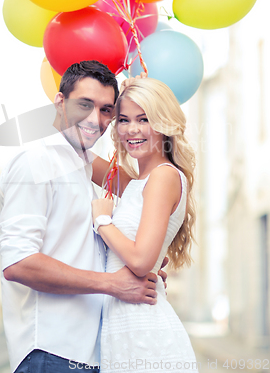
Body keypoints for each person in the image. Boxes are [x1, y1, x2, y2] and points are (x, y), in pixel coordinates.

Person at [0, 61, 164, 373]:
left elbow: (142, 191)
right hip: (50, 351)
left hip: (87, 353)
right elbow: (18, 262)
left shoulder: (80, 163)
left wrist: (138, 100)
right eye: (84, 105)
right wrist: (114, 284)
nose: (94, 119)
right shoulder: (36, 161)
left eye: (106, 110)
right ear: (60, 103)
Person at [91, 76, 198, 373]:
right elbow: (78, 155)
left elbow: (140, 261)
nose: (132, 129)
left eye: (144, 118)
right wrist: (115, 91)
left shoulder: (163, 176)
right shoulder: (137, 182)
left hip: (146, 334)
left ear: (164, 123)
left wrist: (103, 221)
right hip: (123, 330)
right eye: (124, 120)